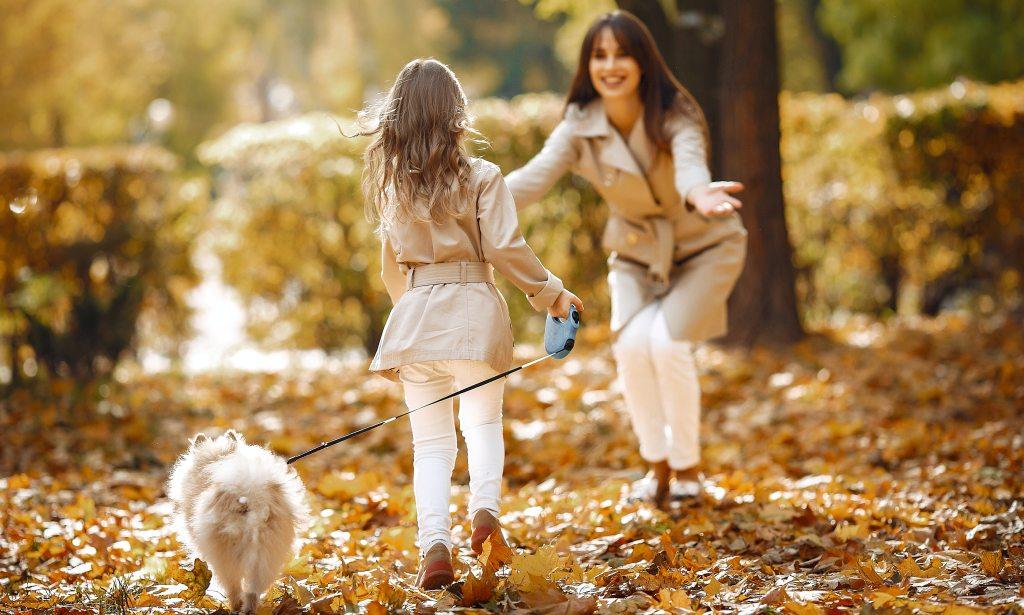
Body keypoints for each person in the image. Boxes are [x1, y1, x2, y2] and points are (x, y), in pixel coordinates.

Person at [505, 11, 747, 506]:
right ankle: (656, 466)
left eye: (622, 54)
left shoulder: (674, 111)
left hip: (704, 248)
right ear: (588, 65)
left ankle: (687, 468)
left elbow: (690, 165)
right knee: (631, 347)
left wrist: (699, 193)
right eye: (600, 56)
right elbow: (530, 181)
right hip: (637, 256)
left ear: (642, 62)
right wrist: (465, 205)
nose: (611, 66)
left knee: (667, 344)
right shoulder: (580, 126)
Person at [361, 58, 584, 588]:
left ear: (399, 119)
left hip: (414, 321)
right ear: (456, 114)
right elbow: (505, 248)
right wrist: (551, 295)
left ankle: (434, 546)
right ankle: (485, 510)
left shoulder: (396, 191)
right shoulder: (483, 178)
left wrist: (414, 313)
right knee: (482, 424)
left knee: (431, 445)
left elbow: (390, 271)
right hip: (474, 318)